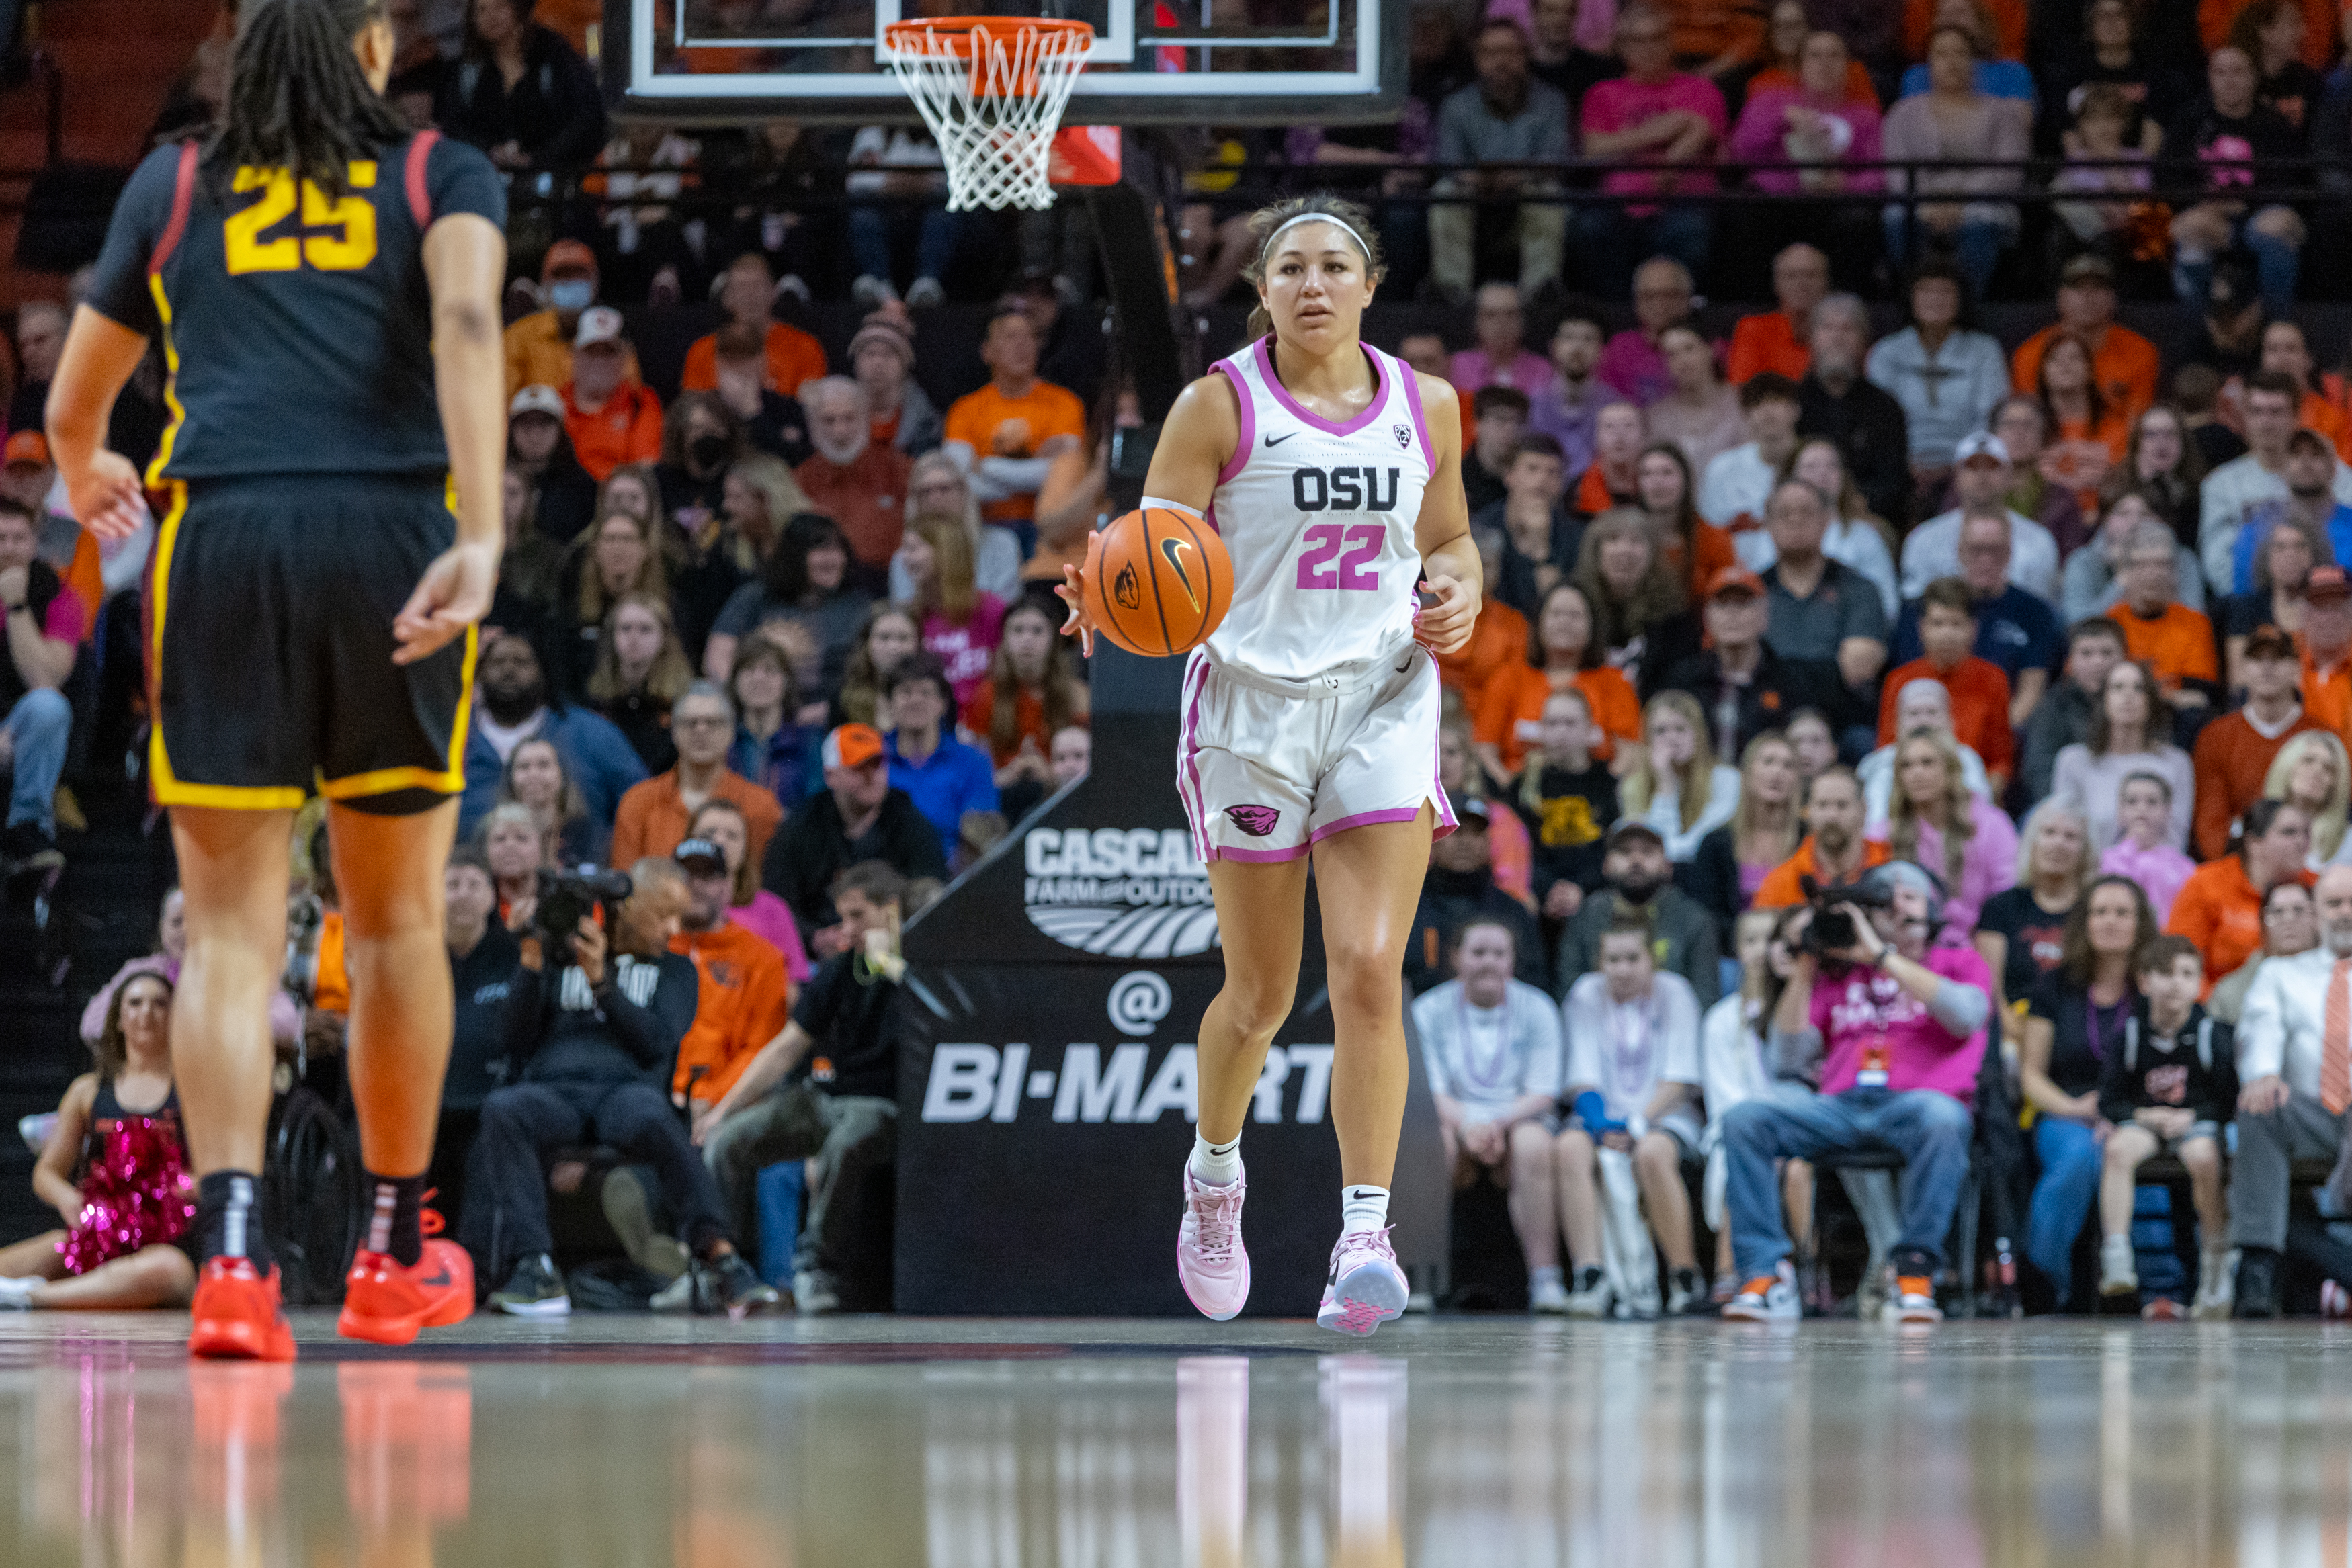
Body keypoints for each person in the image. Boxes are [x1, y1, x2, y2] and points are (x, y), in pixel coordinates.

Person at [50, 0, 509, 1358]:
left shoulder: (174, 184)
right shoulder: (440, 173)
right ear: (376, 49)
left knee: (233, 930)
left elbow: (77, 405)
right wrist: (483, 536)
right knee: (393, 925)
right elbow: (471, 328)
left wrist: (88, 475)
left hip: (225, 542)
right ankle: (390, 1251)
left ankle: (235, 1267)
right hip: (390, 540)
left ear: (238, 58)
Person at [463, 859, 776, 1318]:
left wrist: (602, 983)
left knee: (654, 1117)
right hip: (556, 1091)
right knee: (503, 1109)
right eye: (663, 914)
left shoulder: (676, 970)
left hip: (625, 1091)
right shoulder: (555, 956)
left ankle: (722, 1257)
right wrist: (530, 963)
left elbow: (653, 1044)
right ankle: (535, 1265)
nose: (674, 928)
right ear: (627, 909)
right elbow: (511, 1038)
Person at [1720, 861, 1994, 1323]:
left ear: (1931, 906)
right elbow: (1785, 1061)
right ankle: (1766, 1275)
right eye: (1886, 894)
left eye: (1909, 894)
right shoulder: (1838, 972)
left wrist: (1883, 957)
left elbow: (1966, 1016)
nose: (1896, 901)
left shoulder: (1957, 959)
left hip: (1917, 1106)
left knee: (1945, 1119)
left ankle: (1912, 1272)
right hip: (1842, 1105)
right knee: (1744, 1119)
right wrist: (1809, 960)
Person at [691, 861, 910, 1316]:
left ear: (891, 912)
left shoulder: (921, 969)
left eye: (858, 917)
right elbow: (787, 1046)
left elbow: (934, 1020)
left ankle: (817, 1268)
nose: (845, 930)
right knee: (727, 1141)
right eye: (842, 918)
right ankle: (718, 1269)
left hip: (884, 1105)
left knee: (848, 1138)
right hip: (824, 1098)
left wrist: (893, 965)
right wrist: (723, 1111)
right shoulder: (841, 970)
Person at [0, 973, 195, 1309]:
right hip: (98, 1234)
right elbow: (46, 1173)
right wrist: (68, 1199)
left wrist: (185, 1188)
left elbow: (219, 1169)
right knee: (47, 1249)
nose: (146, 1012)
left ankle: (32, 1298)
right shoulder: (87, 1090)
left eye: (159, 1003)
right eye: (135, 1003)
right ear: (119, 1019)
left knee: (170, 1270)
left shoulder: (194, 1089)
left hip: (170, 1243)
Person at [1411, 920, 1575, 1313]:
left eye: (1499, 954)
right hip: (1452, 1117)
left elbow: (1543, 1091)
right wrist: (1467, 1125)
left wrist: (1497, 1124)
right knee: (1436, 1145)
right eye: (1478, 953)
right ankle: (1417, 1277)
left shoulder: (1537, 1007)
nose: (1489, 963)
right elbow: (1428, 1089)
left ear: (1513, 961)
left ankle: (1545, 1278)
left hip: (1519, 1119)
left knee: (1533, 1145)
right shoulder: (1428, 1009)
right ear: (1456, 959)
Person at [1558, 912, 1708, 1317]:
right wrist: (1603, 1125)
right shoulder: (1586, 994)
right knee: (1570, 1148)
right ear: (1599, 962)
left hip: (1666, 1112)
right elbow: (1581, 1076)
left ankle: (1683, 1275)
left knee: (1652, 1154)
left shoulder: (1676, 992)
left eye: (1632, 959)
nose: (1621, 969)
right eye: (1612, 960)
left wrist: (1637, 1123)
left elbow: (1680, 1079)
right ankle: (1591, 1275)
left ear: (1651, 960)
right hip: (1601, 1116)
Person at [2018, 875, 2156, 1310]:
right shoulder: (2055, 986)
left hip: (2138, 1114)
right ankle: (2042, 1280)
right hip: (2067, 1110)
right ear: (2084, 922)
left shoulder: (2154, 989)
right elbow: (2031, 1076)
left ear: (2141, 924)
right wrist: (2075, 1108)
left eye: (2122, 912)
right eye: (2099, 912)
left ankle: (2143, 1289)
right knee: (2079, 1158)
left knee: (2119, 1154)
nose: (2110, 921)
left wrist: (2123, 1112)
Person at [2228, 864, 2352, 1315]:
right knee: (2260, 1109)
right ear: (2316, 914)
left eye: (2351, 903)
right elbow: (2263, 1027)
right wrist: (2262, 1073)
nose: (2344, 913)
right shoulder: (2281, 974)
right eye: (2334, 904)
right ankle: (2258, 1267)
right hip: (2314, 1112)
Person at [2097, 935, 2237, 1316]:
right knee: (2118, 1149)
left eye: (2187, 974)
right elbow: (2109, 1099)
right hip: (2147, 1121)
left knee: (2204, 1157)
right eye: (2165, 973)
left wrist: (2193, 1116)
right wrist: (2144, 1116)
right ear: (2145, 982)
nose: (2175, 983)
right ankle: (2117, 1255)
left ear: (2199, 983)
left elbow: (2228, 1099)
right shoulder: (2130, 1034)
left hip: (2195, 1123)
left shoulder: (2212, 1034)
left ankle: (2215, 1264)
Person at [1574, 9, 1727, 295]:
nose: (1648, 48)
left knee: (1689, 230)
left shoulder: (1700, 89)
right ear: (1622, 47)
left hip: (1683, 202)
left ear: (1670, 42)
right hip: (1618, 204)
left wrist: (1671, 160)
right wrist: (1664, 129)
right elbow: (1594, 150)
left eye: (1656, 38)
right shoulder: (1602, 93)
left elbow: (1703, 131)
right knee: (1589, 227)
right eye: (1637, 41)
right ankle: (1616, 314)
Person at [761, 722, 948, 957]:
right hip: (817, 958)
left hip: (896, 952)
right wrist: (814, 938)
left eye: (878, 765)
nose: (872, 777)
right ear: (831, 775)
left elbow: (931, 896)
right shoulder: (800, 828)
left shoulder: (911, 824)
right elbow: (775, 903)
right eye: (859, 768)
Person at [1880, 26, 2027, 302]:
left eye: (1961, 54)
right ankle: (1910, 302)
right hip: (1920, 200)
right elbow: (1897, 172)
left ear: (1975, 63)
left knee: (1980, 221)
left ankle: (1970, 306)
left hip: (1983, 200)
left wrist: (1960, 201)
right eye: (1942, 54)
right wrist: (1930, 203)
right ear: (1929, 63)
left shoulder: (2002, 113)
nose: (1952, 62)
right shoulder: (1903, 113)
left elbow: (2009, 172)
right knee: (1897, 217)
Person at [458, 632, 646, 837]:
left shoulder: (593, 734)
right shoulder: (453, 736)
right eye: (497, 662)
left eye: (521, 662)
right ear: (478, 672)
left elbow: (644, 805)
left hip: (580, 866)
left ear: (543, 671)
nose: (508, 670)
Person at [1429, 34, 1572, 304]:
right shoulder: (1456, 105)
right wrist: (1477, 179)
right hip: (1476, 199)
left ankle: (1540, 293)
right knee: (1446, 192)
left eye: (1510, 52)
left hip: (1525, 195)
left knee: (1548, 193)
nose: (1501, 62)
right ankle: (1452, 292)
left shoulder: (1551, 102)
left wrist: (1514, 177)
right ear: (1477, 59)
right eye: (1491, 54)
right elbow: (1449, 163)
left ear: (1525, 56)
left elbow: (1553, 161)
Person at [1890, 508, 2062, 730]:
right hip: (1928, 728)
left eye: (1995, 550)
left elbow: (2032, 690)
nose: (1985, 559)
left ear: (2009, 553)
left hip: (2003, 728)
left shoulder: (2035, 612)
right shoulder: (1928, 608)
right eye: (1976, 550)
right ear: (1960, 551)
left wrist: (1991, 735)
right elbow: (1911, 682)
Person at [1656, 564, 1845, 764]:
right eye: (1722, 604)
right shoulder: (1682, 681)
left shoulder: (1791, 681)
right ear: (1706, 618)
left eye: (1743, 604)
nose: (1732, 614)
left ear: (1764, 615)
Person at [2169, 46, 2308, 313]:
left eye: (2238, 71)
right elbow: (2167, 178)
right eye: (2220, 73)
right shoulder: (2189, 121)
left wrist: (2243, 205)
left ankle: (2276, 323)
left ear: (2254, 77)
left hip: (2261, 216)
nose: (2229, 80)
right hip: (2208, 216)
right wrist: (2206, 203)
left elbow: (2292, 182)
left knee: (2278, 225)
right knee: (2190, 227)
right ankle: (2199, 328)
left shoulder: (2276, 125)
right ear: (2210, 79)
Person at [667, 836, 794, 1126]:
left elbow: (761, 1049)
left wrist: (709, 1098)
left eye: (707, 876)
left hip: (727, 1106)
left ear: (727, 887)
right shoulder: (651, 945)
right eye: (684, 875)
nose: (694, 885)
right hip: (654, 1097)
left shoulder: (764, 959)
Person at [943, 309, 1085, 547]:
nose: (1023, 345)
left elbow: (1062, 474)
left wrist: (984, 465)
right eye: (1010, 337)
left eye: (1030, 337)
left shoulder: (1064, 404)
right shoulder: (965, 410)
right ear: (988, 352)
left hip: (1048, 527)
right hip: (985, 524)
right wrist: (1035, 465)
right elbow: (958, 480)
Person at [2201, 372, 2352, 593]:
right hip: (2252, 602)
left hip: (2330, 598)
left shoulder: (2334, 474)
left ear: (2296, 417)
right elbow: (2218, 565)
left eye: (2276, 412)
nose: (2266, 422)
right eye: (2257, 412)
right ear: (2245, 417)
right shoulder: (2221, 484)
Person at [1867, 261, 2011, 492]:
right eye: (1925, 291)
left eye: (1945, 291)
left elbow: (1990, 418)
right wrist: (1903, 465)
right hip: (1899, 465)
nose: (1935, 299)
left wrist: (1960, 464)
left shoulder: (1985, 350)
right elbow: (1878, 419)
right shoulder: (1886, 352)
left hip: (1970, 466)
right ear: (1910, 298)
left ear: (1960, 300)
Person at [609, 681, 783, 871]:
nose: (701, 730)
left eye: (712, 722)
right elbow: (624, 887)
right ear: (673, 731)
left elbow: (761, 888)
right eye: (690, 722)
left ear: (731, 732)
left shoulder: (760, 806)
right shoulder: (638, 802)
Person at [1753, 466, 1894, 693]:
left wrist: (1777, 678)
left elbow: (1859, 668)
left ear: (1826, 520)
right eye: (1784, 513)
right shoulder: (1753, 591)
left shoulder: (1860, 589)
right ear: (1768, 524)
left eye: (1806, 512)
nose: (1795, 520)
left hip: (1842, 714)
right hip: (1769, 713)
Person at [1554, 820, 1722, 1008]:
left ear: (1668, 865)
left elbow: (1704, 998)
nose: (1636, 860)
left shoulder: (1694, 919)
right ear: (1606, 864)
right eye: (1625, 851)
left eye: (1647, 852)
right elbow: (1570, 993)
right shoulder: (1587, 916)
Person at [704, 512, 871, 695]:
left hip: (828, 717)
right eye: (822, 550)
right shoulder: (754, 598)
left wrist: (832, 710)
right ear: (795, 555)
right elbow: (717, 659)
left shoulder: (858, 608)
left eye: (839, 550)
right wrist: (743, 701)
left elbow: (866, 675)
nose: (834, 559)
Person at [2197, 625, 2326, 857]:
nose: (2267, 667)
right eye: (2257, 659)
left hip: (2309, 859)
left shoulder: (2322, 736)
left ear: (2297, 669)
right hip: (2239, 862)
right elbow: (2211, 824)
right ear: (2244, 669)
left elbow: (2333, 813)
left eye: (2278, 658)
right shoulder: (2215, 737)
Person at [1877, 579, 2017, 794]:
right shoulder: (1899, 680)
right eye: (1938, 623)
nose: (1947, 634)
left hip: (1970, 789)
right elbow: (1887, 751)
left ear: (1973, 628)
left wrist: (1981, 802)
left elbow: (2000, 762)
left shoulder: (1994, 680)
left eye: (1956, 624)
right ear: (1922, 628)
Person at [1875, 727, 2017, 934]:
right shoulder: (1885, 831)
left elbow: (2007, 896)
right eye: (1906, 766)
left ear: (1950, 769)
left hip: (1980, 942)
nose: (1917, 772)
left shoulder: (1992, 824)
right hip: (1908, 945)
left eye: (1928, 762)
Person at [436, 0, 604, 172]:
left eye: (500, 7)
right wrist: (490, 152)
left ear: (519, 10)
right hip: (485, 178)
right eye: (481, 10)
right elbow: (452, 124)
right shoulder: (468, 68)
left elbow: (588, 117)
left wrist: (539, 159)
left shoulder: (553, 55)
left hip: (550, 179)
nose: (491, 17)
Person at [2050, 660, 2195, 853]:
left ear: (2151, 701)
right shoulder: (2074, 761)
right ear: (2104, 700)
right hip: (2090, 877)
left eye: (2139, 688)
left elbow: (2176, 841)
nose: (2128, 696)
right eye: (2118, 687)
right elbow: (2064, 833)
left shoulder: (2177, 763)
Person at [2168, 798, 2315, 988]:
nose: (2301, 842)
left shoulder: (2317, 887)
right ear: (2254, 843)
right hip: (2222, 1007)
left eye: (2306, 833)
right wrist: (2217, 1007)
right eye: (2289, 833)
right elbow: (2177, 960)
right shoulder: (2206, 885)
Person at [1794, 295, 1913, 530]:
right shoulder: (1793, 403)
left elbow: (1894, 483)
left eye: (1848, 329)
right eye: (1827, 328)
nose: (1837, 338)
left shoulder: (1885, 407)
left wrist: (1847, 506)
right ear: (1812, 338)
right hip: (1800, 515)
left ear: (1864, 341)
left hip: (1865, 518)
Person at [1404, 799, 1546, 995]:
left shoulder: (1513, 912)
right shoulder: (1407, 909)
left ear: (1490, 842)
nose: (1465, 841)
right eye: (1453, 830)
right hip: (1420, 1020)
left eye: (1476, 832)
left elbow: (1533, 985)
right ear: (1433, 838)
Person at [964, 599, 1087, 823]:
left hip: (1063, 799)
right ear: (1004, 639)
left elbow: (1089, 770)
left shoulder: (1077, 696)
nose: (1027, 640)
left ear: (1054, 640)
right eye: (1018, 630)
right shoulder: (986, 695)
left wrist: (1049, 775)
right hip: (1001, 801)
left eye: (1037, 631)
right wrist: (1009, 774)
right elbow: (974, 772)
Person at [1900, 432, 2062, 603]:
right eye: (1972, 466)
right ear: (1956, 475)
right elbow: (1914, 608)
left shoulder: (2039, 542)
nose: (1982, 475)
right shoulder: (1923, 540)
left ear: (2009, 476)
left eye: (1992, 466)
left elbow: (2041, 611)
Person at [0, 500, 74, 869]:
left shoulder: (59, 595)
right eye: (1, 538)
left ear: (34, 544)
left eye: (19, 538)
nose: (10, 547)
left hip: (17, 729)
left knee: (49, 706)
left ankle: (26, 828)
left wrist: (16, 605)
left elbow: (45, 681)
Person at [1977, 800, 2092, 1027]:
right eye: (2049, 833)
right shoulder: (2001, 906)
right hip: (2009, 1032)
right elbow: (1989, 986)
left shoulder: (2094, 912)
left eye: (2071, 837)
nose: (2058, 844)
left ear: (2087, 851)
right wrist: (2009, 1029)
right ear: (2031, 842)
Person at [2011, 255, 2162, 425]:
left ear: (2113, 298)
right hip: (2051, 446)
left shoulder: (2140, 351)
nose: (2088, 296)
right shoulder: (2030, 354)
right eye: (2078, 287)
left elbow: (2137, 423)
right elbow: (2028, 422)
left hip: (2116, 447)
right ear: (2061, 297)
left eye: (2098, 287)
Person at [1511, 687, 1622, 921]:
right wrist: (1549, 888)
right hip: (1538, 898)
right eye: (1552, 724)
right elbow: (1517, 848)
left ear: (1590, 729)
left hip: (1597, 897)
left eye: (1570, 723)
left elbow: (1614, 849)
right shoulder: (1523, 786)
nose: (1561, 732)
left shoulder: (1609, 785)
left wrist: (1581, 889)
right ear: (1541, 730)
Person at [795, 379, 913, 590]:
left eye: (849, 419)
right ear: (812, 425)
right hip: (818, 591)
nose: (840, 431)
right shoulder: (800, 480)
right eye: (828, 421)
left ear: (866, 419)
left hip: (886, 588)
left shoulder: (900, 470)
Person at [1685, 730, 1802, 930]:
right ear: (1747, 772)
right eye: (1768, 761)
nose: (1777, 772)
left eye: (1788, 766)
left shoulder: (1807, 840)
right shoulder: (1716, 844)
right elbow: (1706, 917)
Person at [1573, 508, 1700, 693]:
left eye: (1636, 541)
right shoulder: (1575, 608)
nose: (1624, 550)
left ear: (1653, 555)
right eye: (1613, 539)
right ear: (1595, 551)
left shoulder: (1675, 622)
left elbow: (1677, 686)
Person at [687, 796, 808, 982]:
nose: (720, 842)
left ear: (746, 848)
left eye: (732, 836)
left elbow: (792, 986)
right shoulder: (673, 906)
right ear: (688, 842)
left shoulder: (773, 910)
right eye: (708, 834)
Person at [881, 656, 997, 851]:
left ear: (942, 704)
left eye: (926, 693)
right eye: (906, 692)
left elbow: (980, 836)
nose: (916, 701)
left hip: (955, 874)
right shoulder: (873, 759)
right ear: (889, 704)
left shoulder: (973, 762)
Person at [679, 251, 826, 405]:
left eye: (757, 286)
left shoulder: (806, 348)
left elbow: (810, 410)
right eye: (741, 287)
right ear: (726, 297)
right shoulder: (701, 352)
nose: (750, 295)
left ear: (773, 292)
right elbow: (692, 411)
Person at [1619, 690, 1741, 863]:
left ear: (1698, 735)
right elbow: (1648, 853)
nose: (1671, 738)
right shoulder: (1633, 786)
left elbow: (1694, 848)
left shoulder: (1727, 780)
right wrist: (1665, 785)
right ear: (1647, 739)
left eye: (1680, 729)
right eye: (1660, 731)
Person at [897, 514, 1005, 707]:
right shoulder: (910, 614)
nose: (905, 557)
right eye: (905, 549)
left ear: (945, 551)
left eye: (914, 548)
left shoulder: (991, 609)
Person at [2062, 491, 2208, 629]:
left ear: (2159, 520)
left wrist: (2160, 583)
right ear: (2106, 519)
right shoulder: (2083, 560)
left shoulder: (2182, 557)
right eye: (2123, 513)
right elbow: (2077, 624)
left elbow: (2196, 617)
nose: (2135, 521)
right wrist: (2122, 581)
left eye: (2144, 514)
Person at [1751, 765, 1890, 908]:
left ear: (1863, 810)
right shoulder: (1780, 883)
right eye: (1822, 805)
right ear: (1809, 811)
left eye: (1842, 805)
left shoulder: (1891, 868)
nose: (1832, 816)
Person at [583, 593, 689, 775]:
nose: (634, 637)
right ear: (612, 636)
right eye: (625, 629)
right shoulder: (594, 699)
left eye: (645, 629)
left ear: (664, 637)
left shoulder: (684, 701)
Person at [1475, 434, 1581, 620]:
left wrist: (1541, 548)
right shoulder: (1480, 528)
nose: (1542, 479)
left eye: (1553, 472)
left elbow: (1557, 608)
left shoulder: (1575, 537)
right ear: (1509, 475)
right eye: (1532, 469)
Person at [1697, 372, 1805, 549]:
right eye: (1758, 404)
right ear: (1746, 414)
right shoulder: (1721, 469)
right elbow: (1709, 535)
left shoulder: (1815, 463)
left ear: (1796, 410)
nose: (1767, 411)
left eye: (1776, 402)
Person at [558, 308, 662, 484]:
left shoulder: (641, 401)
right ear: (574, 356)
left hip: (617, 500)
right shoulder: (554, 404)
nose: (599, 361)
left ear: (623, 359)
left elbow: (644, 471)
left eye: (608, 352)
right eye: (591, 351)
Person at [721, 638, 822, 813]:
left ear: (786, 682)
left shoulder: (809, 741)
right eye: (749, 670)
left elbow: (816, 806)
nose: (759, 678)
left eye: (770, 670)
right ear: (735, 681)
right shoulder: (722, 742)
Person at [2210, 876, 2315, 1024]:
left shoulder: (2340, 979)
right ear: (2262, 922)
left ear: (2316, 918)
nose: (2288, 919)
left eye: (2298, 910)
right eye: (2277, 912)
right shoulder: (2230, 993)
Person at [1647, 326, 1745, 480]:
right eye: (1672, 355)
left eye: (1689, 349)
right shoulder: (1657, 417)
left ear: (1712, 349)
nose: (1682, 360)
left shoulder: (1742, 404)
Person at [1726, 244, 1830, 386]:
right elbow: (1743, 390)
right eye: (1792, 276)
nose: (1802, 283)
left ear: (1826, 282)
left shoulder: (1841, 330)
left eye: (1811, 275)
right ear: (1777, 284)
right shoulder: (1753, 330)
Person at [2104, 772, 2199, 922]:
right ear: (2120, 810)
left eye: (2152, 802)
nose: (2142, 809)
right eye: (2132, 802)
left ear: (2168, 811)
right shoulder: (2104, 861)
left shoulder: (2185, 868)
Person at [1528, 311, 1607, 473]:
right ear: (1554, 347)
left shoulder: (1614, 407)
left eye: (1588, 339)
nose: (1578, 347)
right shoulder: (1533, 407)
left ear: (1602, 350)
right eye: (1569, 337)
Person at [2267, 729, 2352, 866]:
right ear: (2286, 766)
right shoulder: (2249, 829)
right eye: (2308, 760)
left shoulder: (2349, 845)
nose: (2317, 771)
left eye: (2328, 768)